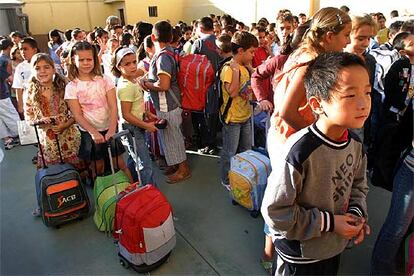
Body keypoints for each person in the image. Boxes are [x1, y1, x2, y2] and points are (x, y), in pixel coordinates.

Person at [262, 52, 371, 276]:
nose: (363, 103)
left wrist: (356, 215)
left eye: (367, 92)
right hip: (300, 256)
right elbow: (275, 212)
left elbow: (358, 185)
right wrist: (331, 223)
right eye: (350, 95)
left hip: (333, 248)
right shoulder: (299, 151)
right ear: (317, 104)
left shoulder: (355, 145)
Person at [263, 7, 352, 272]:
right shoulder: (312, 61)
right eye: (345, 35)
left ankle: (270, 249)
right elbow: (288, 111)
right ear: (327, 36)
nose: (347, 41)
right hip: (292, 140)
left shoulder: (305, 52)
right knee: (289, 204)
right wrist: (317, 139)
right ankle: (284, 254)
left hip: (284, 137)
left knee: (284, 196)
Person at [64, 41, 132, 181]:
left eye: (89, 59)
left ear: (95, 59)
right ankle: (102, 198)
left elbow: (113, 106)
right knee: (98, 168)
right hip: (89, 133)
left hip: (109, 129)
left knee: (119, 164)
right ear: (73, 60)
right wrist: (93, 132)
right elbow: (77, 114)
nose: (86, 63)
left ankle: (132, 193)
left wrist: (112, 129)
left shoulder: (104, 80)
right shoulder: (72, 86)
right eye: (81, 60)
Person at [140, 20, 191, 184]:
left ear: (153, 36)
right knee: (169, 137)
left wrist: (147, 84)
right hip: (170, 102)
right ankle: (176, 165)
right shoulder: (170, 51)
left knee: (173, 137)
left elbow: (163, 85)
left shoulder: (162, 57)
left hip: (168, 104)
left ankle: (183, 170)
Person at [112, 47, 157, 185]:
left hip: (136, 126)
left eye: (134, 62)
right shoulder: (126, 86)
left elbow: (134, 106)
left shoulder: (133, 80)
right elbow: (126, 114)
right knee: (145, 164)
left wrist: (147, 113)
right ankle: (149, 193)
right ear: (119, 67)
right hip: (132, 128)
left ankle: (133, 185)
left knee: (134, 158)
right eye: (127, 64)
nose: (132, 66)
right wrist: (147, 126)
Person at [219, 31, 258, 190]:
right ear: (240, 51)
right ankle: (226, 179)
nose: (253, 55)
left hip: (245, 116)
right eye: (251, 52)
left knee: (246, 150)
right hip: (233, 119)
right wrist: (235, 71)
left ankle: (242, 177)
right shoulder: (229, 68)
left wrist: (248, 68)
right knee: (230, 152)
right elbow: (233, 92)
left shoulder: (243, 66)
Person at [344, 15, 377, 143]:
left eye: (369, 38)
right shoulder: (336, 61)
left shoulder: (370, 61)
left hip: (360, 121)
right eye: (360, 38)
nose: (366, 43)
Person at [191, 16, 221, 154]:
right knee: (216, 112)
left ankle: (209, 143)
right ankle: (214, 141)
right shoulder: (220, 41)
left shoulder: (198, 43)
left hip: (203, 85)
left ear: (201, 28)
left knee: (205, 114)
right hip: (221, 82)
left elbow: (191, 65)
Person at [12, 37, 39, 118]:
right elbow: (18, 87)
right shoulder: (20, 67)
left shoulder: (43, 63)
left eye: (25, 49)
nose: (23, 52)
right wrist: (20, 105)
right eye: (21, 49)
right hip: (29, 102)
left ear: (34, 50)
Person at [0, 38, 20, 150]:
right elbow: (9, 78)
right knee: (11, 115)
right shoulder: (4, 60)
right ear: (9, 48)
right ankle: (22, 135)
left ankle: (7, 139)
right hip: (1, 94)